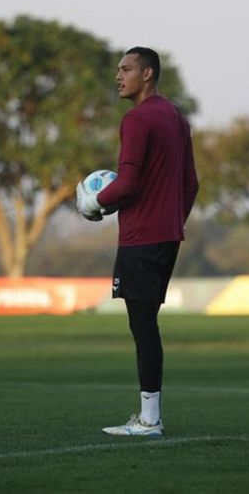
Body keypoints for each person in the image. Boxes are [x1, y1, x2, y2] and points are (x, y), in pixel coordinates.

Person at [76, 46, 199, 437]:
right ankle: (149, 417)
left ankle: (149, 421)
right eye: (118, 69)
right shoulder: (175, 117)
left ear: (148, 74)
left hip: (141, 238)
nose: (119, 76)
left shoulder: (137, 120)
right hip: (166, 236)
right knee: (145, 324)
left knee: (142, 326)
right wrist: (173, 220)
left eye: (127, 69)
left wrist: (93, 202)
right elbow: (191, 184)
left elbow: (126, 182)